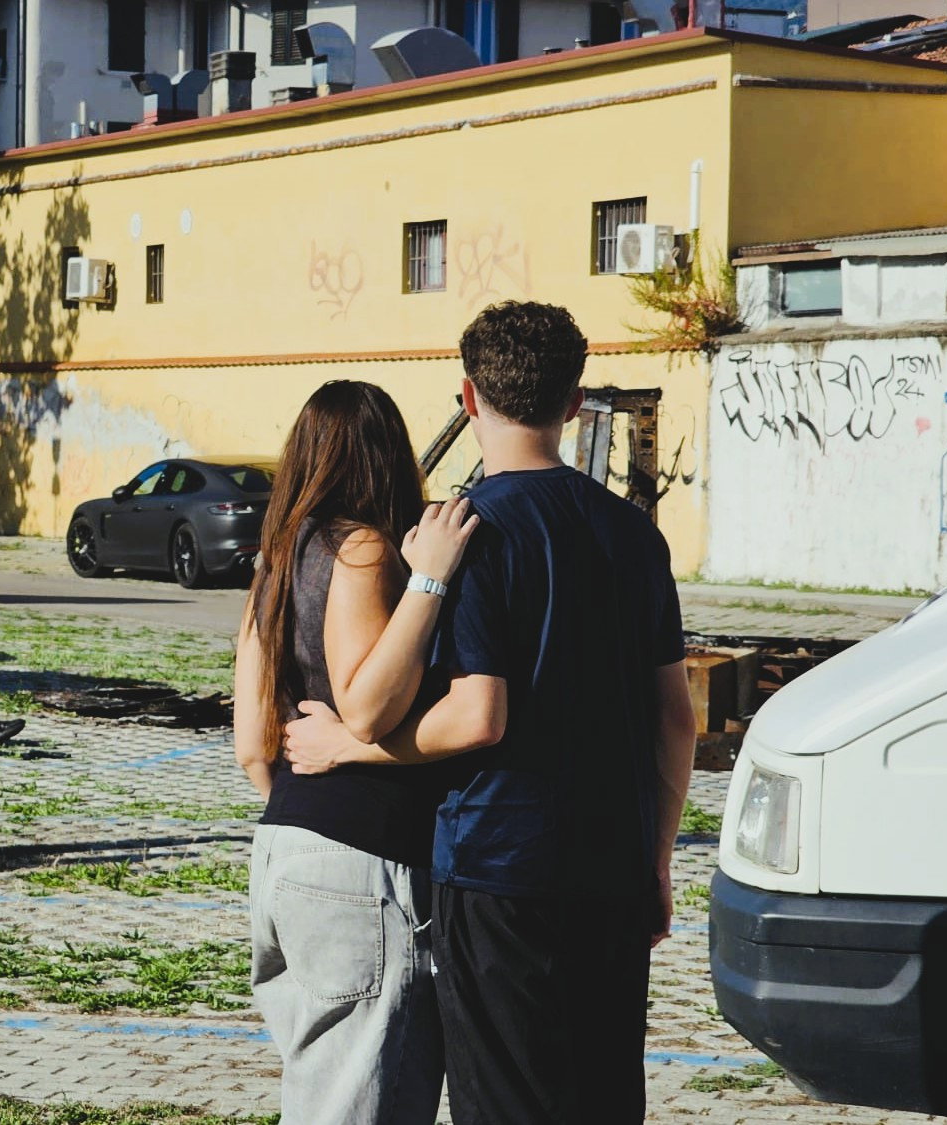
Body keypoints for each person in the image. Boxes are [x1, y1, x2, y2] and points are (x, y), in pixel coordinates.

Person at [282, 302, 698, 1125]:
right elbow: (676, 720)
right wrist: (656, 861)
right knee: (605, 1100)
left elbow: (478, 717)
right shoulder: (634, 534)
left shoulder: (466, 529)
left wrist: (349, 748)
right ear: (576, 404)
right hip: (612, 867)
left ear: (468, 398)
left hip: (500, 869)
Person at [231, 380, 477, 1124]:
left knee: (321, 1095)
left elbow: (251, 744)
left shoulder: (275, 562)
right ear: (387, 456)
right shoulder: (361, 547)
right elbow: (367, 706)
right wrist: (429, 581)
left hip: (281, 853)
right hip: (360, 861)